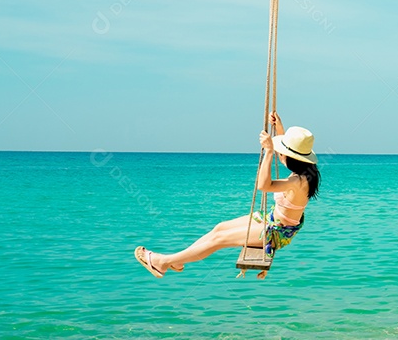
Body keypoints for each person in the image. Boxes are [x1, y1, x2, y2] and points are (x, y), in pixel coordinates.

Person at [134, 112, 320, 280]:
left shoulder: (298, 181)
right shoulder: (306, 171)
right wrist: (279, 128)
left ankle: (163, 262)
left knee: (218, 240)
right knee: (220, 228)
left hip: (276, 233)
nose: (281, 154)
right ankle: (179, 260)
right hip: (271, 219)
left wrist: (269, 151)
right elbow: (286, 155)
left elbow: (264, 186)